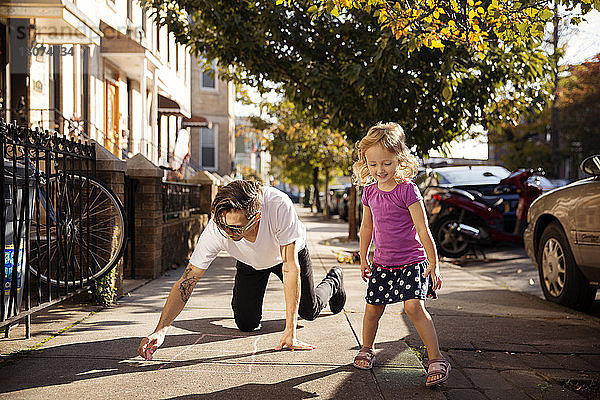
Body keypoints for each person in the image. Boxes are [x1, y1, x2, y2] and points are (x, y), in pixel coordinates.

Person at [138, 180, 346, 359]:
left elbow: (290, 268)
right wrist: (161, 330)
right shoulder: (217, 229)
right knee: (246, 323)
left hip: (287, 252)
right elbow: (187, 281)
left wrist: (290, 330)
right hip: (250, 261)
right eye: (223, 226)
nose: (228, 233)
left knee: (308, 312)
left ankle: (333, 281)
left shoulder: (278, 205)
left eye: (236, 228)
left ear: (256, 218)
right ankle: (242, 299)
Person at [351, 122, 450, 387]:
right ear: (366, 163)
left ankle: (436, 358)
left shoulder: (407, 190)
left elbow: (423, 227)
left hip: (413, 261)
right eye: (373, 164)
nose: (379, 170)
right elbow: (366, 227)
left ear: (399, 159)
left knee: (413, 307)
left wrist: (434, 263)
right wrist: (363, 256)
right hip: (383, 263)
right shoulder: (369, 192)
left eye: (386, 163)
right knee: (373, 309)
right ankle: (367, 348)